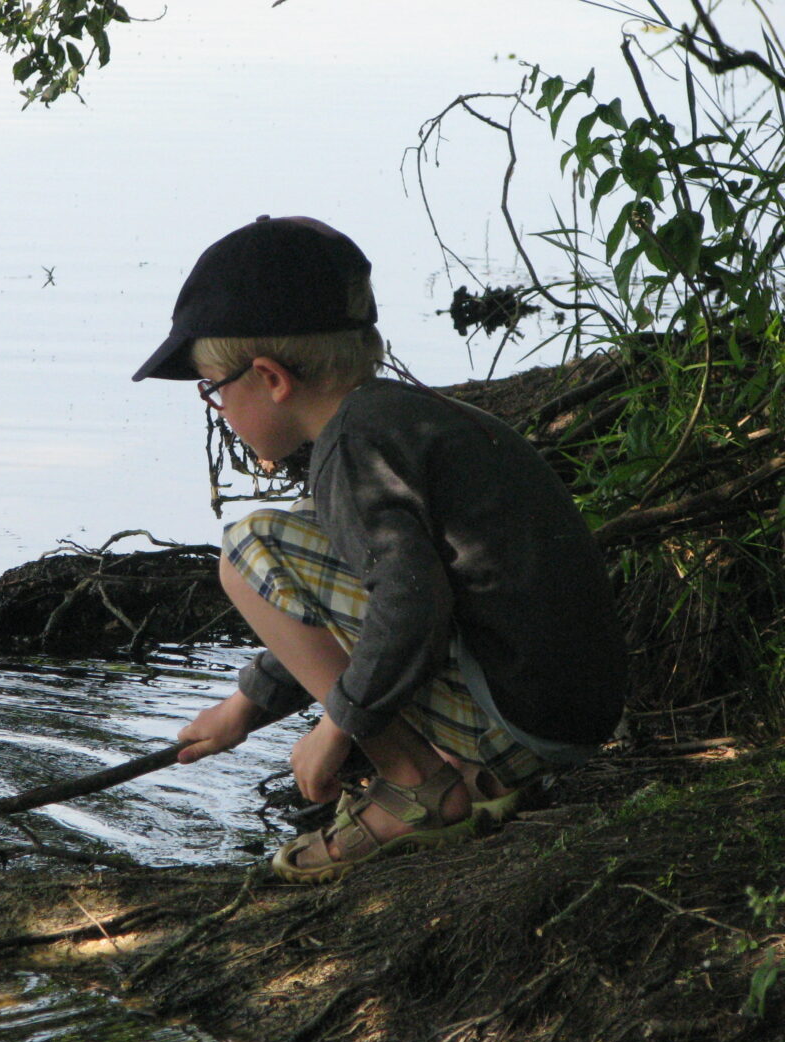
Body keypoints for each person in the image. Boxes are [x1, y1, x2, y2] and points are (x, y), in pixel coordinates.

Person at [132, 215, 627, 884]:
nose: (216, 409)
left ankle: (417, 788)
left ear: (271, 377)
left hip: (525, 723)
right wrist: (245, 706)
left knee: (248, 547)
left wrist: (336, 729)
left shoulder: (354, 450)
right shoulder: (392, 423)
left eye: (213, 389)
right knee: (289, 537)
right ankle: (442, 767)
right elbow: (359, 595)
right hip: (562, 710)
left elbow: (410, 603)